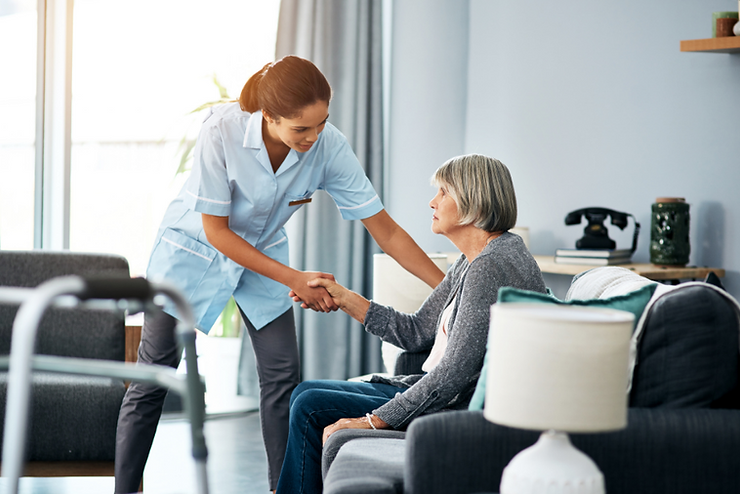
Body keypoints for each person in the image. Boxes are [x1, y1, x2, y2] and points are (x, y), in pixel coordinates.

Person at [114, 55, 445, 494]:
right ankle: (125, 489)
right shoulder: (222, 129)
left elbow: (384, 229)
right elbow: (217, 230)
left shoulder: (328, 144)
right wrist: (293, 278)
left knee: (281, 375)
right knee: (154, 372)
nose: (313, 137)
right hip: (193, 252)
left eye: (322, 123)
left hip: (265, 255)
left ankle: (281, 489)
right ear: (268, 116)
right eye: (301, 129)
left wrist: (449, 287)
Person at [275, 153, 547, 493]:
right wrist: (344, 298)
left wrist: (373, 420)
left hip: (452, 407)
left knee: (311, 406)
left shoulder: (490, 267)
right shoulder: (472, 260)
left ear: (473, 201)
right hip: (431, 389)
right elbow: (416, 331)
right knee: (305, 392)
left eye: (444, 192)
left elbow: (454, 374)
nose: (433, 202)